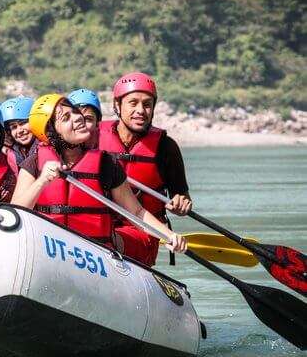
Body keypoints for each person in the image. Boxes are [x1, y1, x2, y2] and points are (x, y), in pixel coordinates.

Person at [11, 93, 186, 259]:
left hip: (96, 257)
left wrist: (169, 235)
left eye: (74, 111)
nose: (77, 117)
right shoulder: (34, 163)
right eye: (66, 118)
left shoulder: (106, 164)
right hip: (51, 253)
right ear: (51, 134)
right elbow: (15, 212)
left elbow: (136, 211)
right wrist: (41, 181)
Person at [98, 72, 192, 265]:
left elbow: (182, 199)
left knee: (105, 238)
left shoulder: (166, 148)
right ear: (117, 105)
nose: (141, 110)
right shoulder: (93, 139)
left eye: (147, 104)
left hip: (143, 233)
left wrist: (182, 205)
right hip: (97, 225)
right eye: (133, 103)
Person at [0, 96, 36, 174]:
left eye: (23, 123)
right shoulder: (7, 153)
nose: (19, 130)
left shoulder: (49, 146)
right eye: (13, 127)